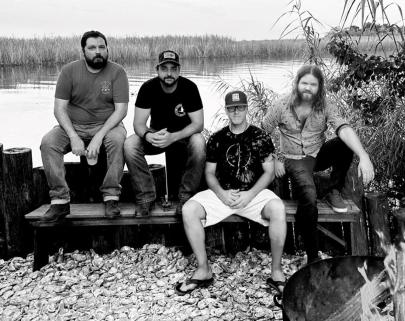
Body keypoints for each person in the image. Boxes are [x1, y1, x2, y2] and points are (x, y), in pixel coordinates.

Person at [176, 91, 287, 295]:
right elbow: (209, 173)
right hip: (224, 194)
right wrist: (221, 194)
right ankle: (203, 270)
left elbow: (269, 172)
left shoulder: (260, 136)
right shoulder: (217, 139)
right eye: (232, 108)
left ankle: (277, 271)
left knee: (278, 209)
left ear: (247, 109)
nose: (236, 111)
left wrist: (250, 194)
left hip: (253, 195)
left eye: (241, 107)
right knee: (189, 209)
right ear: (226, 110)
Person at [261, 65, 375, 263]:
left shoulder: (325, 106)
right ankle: (313, 257)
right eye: (304, 83)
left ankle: (333, 189)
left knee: (343, 144)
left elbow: (343, 127)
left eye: (313, 84)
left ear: (319, 87)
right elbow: (261, 132)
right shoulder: (281, 106)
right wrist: (274, 158)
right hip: (294, 159)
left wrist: (363, 156)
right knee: (309, 196)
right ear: (296, 83)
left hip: (317, 154)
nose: (308, 88)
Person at [40, 30, 129, 221]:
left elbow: (121, 111)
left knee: (118, 140)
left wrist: (98, 137)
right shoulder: (69, 71)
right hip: (73, 126)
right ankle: (60, 201)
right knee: (48, 143)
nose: (98, 52)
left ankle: (111, 196)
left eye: (102, 47)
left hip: (108, 126)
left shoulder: (117, 72)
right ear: (83, 51)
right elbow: (59, 109)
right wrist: (73, 136)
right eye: (92, 48)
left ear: (107, 49)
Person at [124, 50, 205, 216]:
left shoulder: (189, 88)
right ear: (157, 69)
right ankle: (146, 196)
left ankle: (186, 197)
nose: (169, 73)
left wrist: (173, 137)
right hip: (157, 135)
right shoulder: (148, 88)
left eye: (173, 69)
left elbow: (198, 124)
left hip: (183, 136)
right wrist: (148, 135)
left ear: (179, 70)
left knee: (199, 142)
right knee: (130, 144)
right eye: (164, 68)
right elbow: (138, 124)